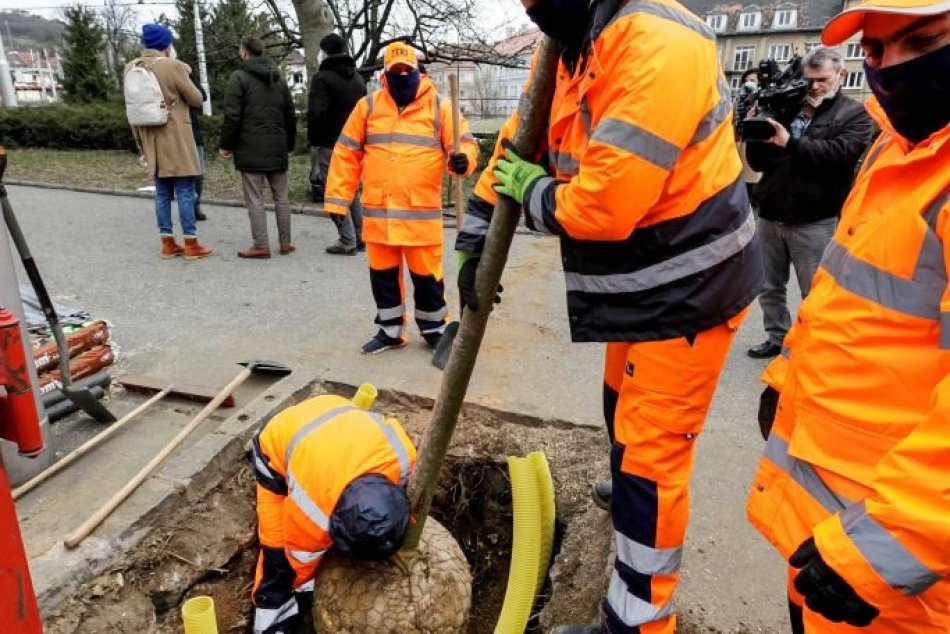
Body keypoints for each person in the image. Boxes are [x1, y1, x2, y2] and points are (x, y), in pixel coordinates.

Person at [455, 0, 762, 631]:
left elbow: (604, 208)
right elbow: (522, 136)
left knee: (651, 462)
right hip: (644, 284)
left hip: (691, 285)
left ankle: (638, 620)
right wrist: (476, 235)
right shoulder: (571, 43)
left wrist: (530, 191)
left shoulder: (655, 41)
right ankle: (624, 496)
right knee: (616, 407)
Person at [747, 0, 950, 632]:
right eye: (877, 49)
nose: (891, 67)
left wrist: (893, 544)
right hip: (836, 527)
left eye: (925, 40)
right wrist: (786, 383)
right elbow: (845, 309)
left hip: (900, 566)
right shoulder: (899, 150)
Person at [325, 42, 478, 355]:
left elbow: (464, 145)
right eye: (396, 71)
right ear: (386, 73)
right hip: (380, 214)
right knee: (383, 278)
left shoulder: (440, 107)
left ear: (417, 70)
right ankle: (390, 330)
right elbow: (347, 154)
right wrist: (337, 200)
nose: (402, 75)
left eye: (407, 70)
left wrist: (463, 161)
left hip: (420, 215)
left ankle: (435, 330)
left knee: (427, 279)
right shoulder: (367, 107)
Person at [249, 393, 417, 634]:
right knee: (277, 559)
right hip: (277, 446)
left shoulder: (404, 460)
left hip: (333, 409)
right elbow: (299, 562)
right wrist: (308, 592)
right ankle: (272, 624)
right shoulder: (313, 511)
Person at [745, 46, 872, 359]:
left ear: (841, 75)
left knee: (815, 291)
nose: (814, 86)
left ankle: (812, 346)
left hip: (815, 219)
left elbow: (839, 156)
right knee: (769, 286)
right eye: (809, 79)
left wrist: (791, 143)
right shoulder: (786, 108)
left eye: (822, 79)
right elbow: (759, 163)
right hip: (772, 213)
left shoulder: (855, 115)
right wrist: (756, 130)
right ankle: (777, 337)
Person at [126, 23, 212, 260]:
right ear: (166, 44)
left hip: (149, 138)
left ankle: (167, 243)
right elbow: (196, 99)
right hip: (175, 137)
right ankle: (191, 243)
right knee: (185, 191)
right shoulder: (172, 66)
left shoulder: (131, 67)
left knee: (162, 193)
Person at [219, 36, 297, 259]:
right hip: (277, 146)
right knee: (281, 197)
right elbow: (290, 115)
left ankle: (261, 245)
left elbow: (232, 115)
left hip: (249, 147)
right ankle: (285, 243)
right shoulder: (278, 79)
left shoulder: (239, 77)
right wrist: (289, 145)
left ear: (244, 52)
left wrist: (226, 145)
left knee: (255, 198)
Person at [307, 32, 367, 255]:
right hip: (356, 144)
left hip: (330, 143)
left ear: (325, 52)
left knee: (334, 192)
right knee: (352, 191)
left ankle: (347, 239)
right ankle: (360, 235)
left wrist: (313, 140)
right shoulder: (358, 79)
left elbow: (317, 113)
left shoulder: (322, 79)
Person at [734, 67, 762, 204]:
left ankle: (750, 201)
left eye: (752, 80)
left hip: (752, 142)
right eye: (746, 80)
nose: (748, 83)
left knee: (750, 177)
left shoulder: (761, 98)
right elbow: (733, 118)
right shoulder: (738, 98)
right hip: (737, 140)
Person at [189, 75, 208, 222]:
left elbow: (203, 96)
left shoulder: (187, 74)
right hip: (175, 134)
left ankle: (195, 205)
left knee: (199, 174)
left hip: (194, 132)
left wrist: (189, 76)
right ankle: (188, 206)